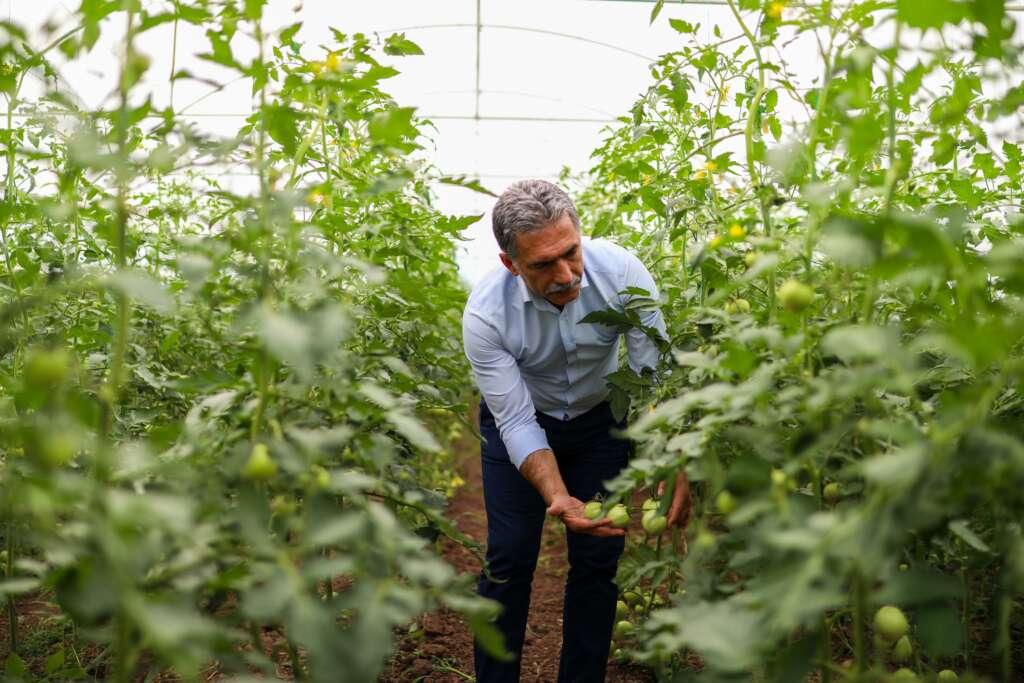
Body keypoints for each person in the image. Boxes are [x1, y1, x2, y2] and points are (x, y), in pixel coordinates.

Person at [461, 179, 692, 683]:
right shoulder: (486, 315)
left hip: (598, 422)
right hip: (519, 425)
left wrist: (669, 455)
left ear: (580, 235)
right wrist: (557, 495)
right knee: (508, 558)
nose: (565, 275)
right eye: (543, 264)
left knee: (598, 559)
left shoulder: (625, 275)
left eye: (571, 252)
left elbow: (652, 378)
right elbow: (517, 420)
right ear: (511, 264)